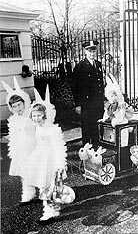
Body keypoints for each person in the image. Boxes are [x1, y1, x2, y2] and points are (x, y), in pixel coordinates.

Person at [23, 87, 69, 221]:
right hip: (41, 159)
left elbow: (59, 148)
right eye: (34, 115)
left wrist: (60, 164)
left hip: (51, 161)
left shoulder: (53, 129)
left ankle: (50, 211)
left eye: (39, 115)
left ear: (44, 115)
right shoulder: (37, 128)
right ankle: (51, 209)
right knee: (44, 185)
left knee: (51, 186)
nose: (36, 118)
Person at [1, 77, 36, 203]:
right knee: (25, 173)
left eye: (19, 105)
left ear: (24, 102)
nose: (18, 108)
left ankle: (47, 192)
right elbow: (14, 134)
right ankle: (28, 193)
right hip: (22, 150)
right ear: (11, 108)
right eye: (14, 106)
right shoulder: (13, 119)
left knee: (39, 171)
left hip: (34, 147)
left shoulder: (32, 114)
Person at [72, 40, 105, 147]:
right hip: (86, 104)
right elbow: (75, 87)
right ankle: (86, 153)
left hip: (97, 103)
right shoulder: (80, 66)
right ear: (85, 51)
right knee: (86, 128)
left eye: (94, 51)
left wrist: (103, 100)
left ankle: (96, 151)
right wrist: (77, 104)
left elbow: (100, 85)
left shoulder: (98, 64)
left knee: (97, 127)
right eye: (89, 51)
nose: (92, 53)